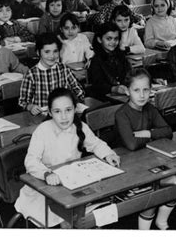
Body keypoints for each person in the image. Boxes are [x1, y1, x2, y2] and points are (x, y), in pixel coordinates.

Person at [14, 87, 119, 228]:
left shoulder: (80, 126)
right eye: (57, 111)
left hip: (73, 181)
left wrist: (108, 154)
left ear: (75, 109)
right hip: (46, 185)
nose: (64, 117)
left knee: (94, 211)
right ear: (50, 112)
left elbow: (96, 144)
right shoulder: (43, 130)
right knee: (66, 219)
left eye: (68, 110)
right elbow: (31, 160)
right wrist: (46, 173)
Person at [114, 68, 175, 229]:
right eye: (136, 90)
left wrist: (146, 132)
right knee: (152, 193)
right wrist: (154, 135)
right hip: (128, 165)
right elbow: (131, 144)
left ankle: (162, 222)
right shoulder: (122, 114)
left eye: (146, 90)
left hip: (148, 159)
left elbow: (168, 131)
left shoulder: (150, 109)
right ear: (127, 91)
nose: (142, 95)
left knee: (174, 182)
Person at [18, 33, 85, 116]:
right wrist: (31, 107)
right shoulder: (31, 74)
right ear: (38, 53)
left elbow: (79, 91)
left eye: (55, 51)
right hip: (42, 117)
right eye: (47, 52)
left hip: (64, 114)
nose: (52, 56)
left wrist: (73, 99)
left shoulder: (63, 69)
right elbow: (23, 102)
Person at [88, 22, 132, 101]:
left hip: (123, 95)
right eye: (109, 39)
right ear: (99, 39)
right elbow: (98, 85)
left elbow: (129, 73)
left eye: (116, 39)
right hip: (105, 99)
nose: (113, 42)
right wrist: (114, 89)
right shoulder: (96, 60)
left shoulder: (120, 56)